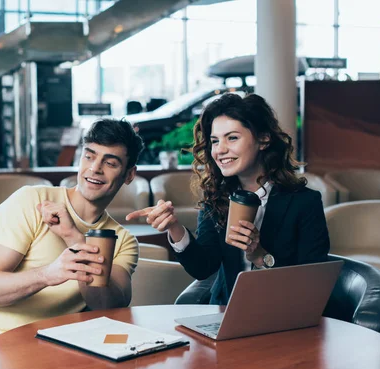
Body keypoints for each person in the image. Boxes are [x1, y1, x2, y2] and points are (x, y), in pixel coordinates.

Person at [0, 118, 145, 365]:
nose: (95, 168)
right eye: (89, 156)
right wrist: (48, 274)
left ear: (129, 175)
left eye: (110, 163)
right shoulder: (32, 200)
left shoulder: (123, 241)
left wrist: (73, 237)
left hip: (52, 349)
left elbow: (107, 306)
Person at [126, 93, 330, 305]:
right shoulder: (217, 198)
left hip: (284, 317)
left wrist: (260, 256)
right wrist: (174, 227)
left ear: (263, 139)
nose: (220, 150)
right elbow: (203, 268)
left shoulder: (304, 203)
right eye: (215, 141)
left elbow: (312, 285)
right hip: (225, 316)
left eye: (232, 138)